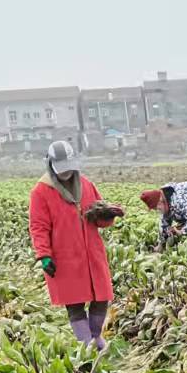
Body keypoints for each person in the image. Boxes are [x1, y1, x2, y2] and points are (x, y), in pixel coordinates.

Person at [29, 139, 116, 349]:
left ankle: (96, 337)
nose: (66, 173)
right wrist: (44, 255)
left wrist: (107, 215)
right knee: (74, 303)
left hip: (91, 253)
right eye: (62, 169)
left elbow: (98, 219)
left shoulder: (86, 185)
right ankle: (86, 345)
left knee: (101, 296)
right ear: (50, 165)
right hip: (64, 256)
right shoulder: (41, 192)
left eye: (69, 167)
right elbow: (38, 227)